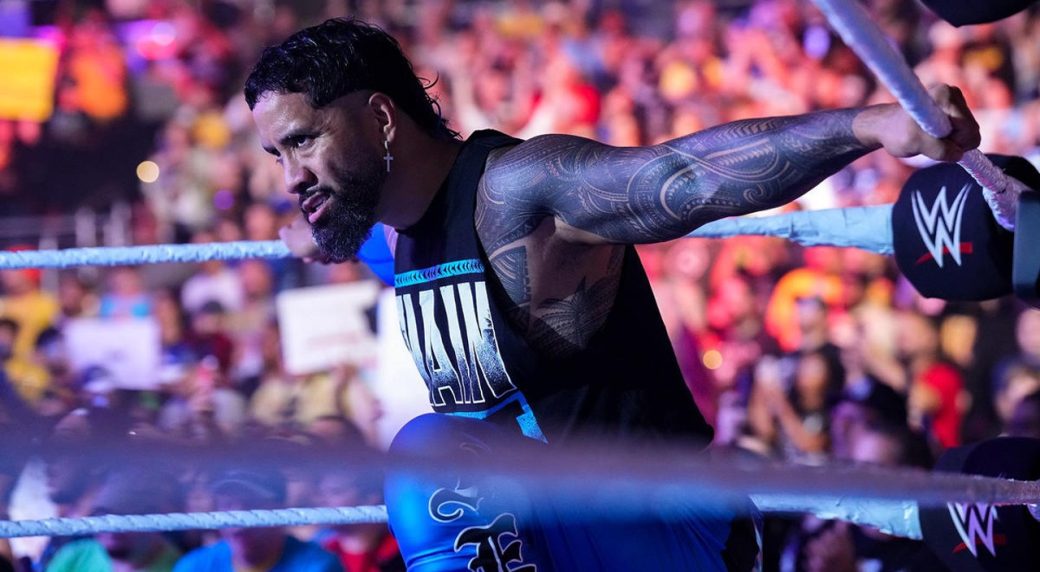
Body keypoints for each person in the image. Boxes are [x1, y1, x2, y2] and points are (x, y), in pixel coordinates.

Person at [245, 17, 979, 571]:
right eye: (277, 154)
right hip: (554, 536)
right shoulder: (397, 233)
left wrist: (872, 126)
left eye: (304, 141)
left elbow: (685, 176)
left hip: (660, 533)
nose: (289, 177)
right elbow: (380, 248)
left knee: (427, 458)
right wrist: (322, 229)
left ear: (380, 118)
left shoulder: (517, 192)